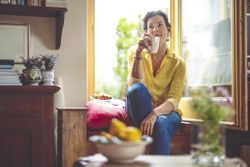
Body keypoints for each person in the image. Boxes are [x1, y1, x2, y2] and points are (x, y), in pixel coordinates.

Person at [125, 10, 186, 155]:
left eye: (160, 25)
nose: (155, 29)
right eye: (151, 26)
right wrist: (139, 54)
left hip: (167, 113)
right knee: (137, 89)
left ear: (168, 30)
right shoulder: (135, 52)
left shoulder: (178, 63)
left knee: (160, 124)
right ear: (146, 32)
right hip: (140, 107)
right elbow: (134, 83)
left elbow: (174, 100)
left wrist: (153, 114)